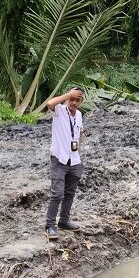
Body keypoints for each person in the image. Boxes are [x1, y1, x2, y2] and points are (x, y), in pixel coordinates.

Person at [44, 87, 85, 240]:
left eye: (77, 100)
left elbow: (79, 132)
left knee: (70, 193)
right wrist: (68, 94)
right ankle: (50, 225)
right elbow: (49, 103)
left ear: (81, 102)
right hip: (59, 158)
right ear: (67, 98)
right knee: (57, 193)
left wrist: (78, 149)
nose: (73, 102)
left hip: (74, 159)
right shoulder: (59, 110)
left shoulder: (79, 115)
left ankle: (64, 221)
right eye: (71, 99)